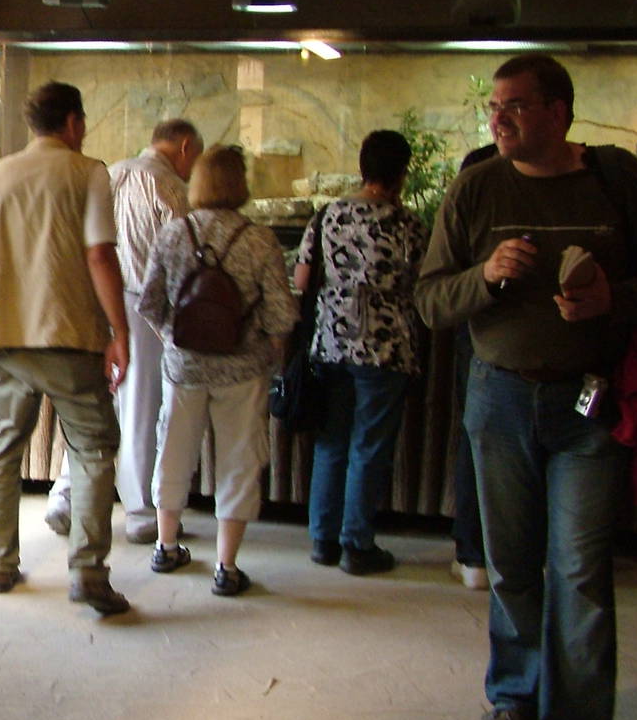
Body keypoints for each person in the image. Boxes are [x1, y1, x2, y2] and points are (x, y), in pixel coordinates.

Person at [416, 54, 637, 720]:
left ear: (559, 110)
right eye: (494, 106)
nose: (498, 117)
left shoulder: (616, 178)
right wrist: (484, 276)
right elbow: (431, 301)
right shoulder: (477, 187)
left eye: (514, 104)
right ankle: (517, 694)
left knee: (580, 573)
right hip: (499, 398)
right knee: (511, 563)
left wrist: (612, 300)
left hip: (590, 404)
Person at [0, 81, 133, 616]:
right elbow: (99, 255)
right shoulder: (89, 173)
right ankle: (88, 572)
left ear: (33, 124)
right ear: (74, 123)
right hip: (70, 337)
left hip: (3, 339)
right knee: (93, 450)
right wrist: (120, 332)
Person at [138, 144, 298, 595]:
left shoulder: (174, 233)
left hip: (183, 367)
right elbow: (281, 314)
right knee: (238, 461)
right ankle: (226, 568)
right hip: (243, 369)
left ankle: (166, 546)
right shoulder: (260, 238)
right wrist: (270, 348)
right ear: (241, 183)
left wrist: (172, 339)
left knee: (173, 451)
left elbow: (150, 303)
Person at [45, 119, 203, 546]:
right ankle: (140, 512)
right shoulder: (170, 188)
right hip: (142, 308)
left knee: (93, 406)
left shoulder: (110, 173)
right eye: (195, 158)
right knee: (139, 409)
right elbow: (186, 257)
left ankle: (64, 497)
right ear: (184, 147)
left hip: (94, 300)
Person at [294, 130, 429, 576]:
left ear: (362, 167)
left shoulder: (327, 215)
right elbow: (426, 283)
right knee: (368, 446)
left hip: (331, 343)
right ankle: (356, 544)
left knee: (331, 441)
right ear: (402, 173)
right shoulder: (408, 225)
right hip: (385, 348)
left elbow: (301, 280)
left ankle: (322, 540)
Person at [449, 142, 497, 590]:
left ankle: (474, 556)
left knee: (475, 438)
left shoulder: (470, 187)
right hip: (485, 334)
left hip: (475, 330)